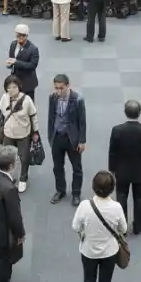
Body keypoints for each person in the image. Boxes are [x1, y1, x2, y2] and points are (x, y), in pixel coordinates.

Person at [72, 171, 128, 282]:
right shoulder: (116, 207)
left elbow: (75, 227)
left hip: (88, 251)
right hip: (109, 252)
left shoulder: (84, 206)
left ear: (93, 187)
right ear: (112, 189)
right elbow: (123, 229)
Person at [108, 100, 141, 235]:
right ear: (139, 113)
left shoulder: (117, 130)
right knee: (139, 198)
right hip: (140, 171)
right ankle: (138, 225)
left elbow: (112, 152)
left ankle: (122, 228)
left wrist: (112, 169)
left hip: (122, 171)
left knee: (121, 197)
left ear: (125, 112)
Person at [0, 147, 27, 282]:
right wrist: (21, 234)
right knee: (6, 258)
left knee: (0, 252)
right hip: (6, 231)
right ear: (11, 166)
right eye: (16, 160)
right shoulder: (9, 189)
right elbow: (14, 216)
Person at [47, 73, 87, 206]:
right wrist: (50, 135)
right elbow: (51, 118)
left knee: (77, 168)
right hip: (57, 137)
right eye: (56, 88)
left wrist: (82, 140)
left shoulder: (78, 99)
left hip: (72, 138)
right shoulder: (52, 98)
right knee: (57, 167)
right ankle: (60, 190)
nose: (58, 91)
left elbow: (82, 122)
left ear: (68, 85)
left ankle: (76, 193)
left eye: (61, 88)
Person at [0, 76, 38, 192]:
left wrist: (35, 131)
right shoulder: (4, 98)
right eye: (9, 87)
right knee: (6, 157)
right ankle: (8, 177)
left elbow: (33, 115)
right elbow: (0, 113)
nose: (12, 90)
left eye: (14, 87)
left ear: (19, 87)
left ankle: (23, 179)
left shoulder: (27, 100)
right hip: (8, 133)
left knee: (24, 157)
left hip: (23, 134)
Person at [6, 23, 40, 101]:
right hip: (15, 81)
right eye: (18, 35)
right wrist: (9, 64)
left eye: (23, 36)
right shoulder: (13, 44)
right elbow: (12, 58)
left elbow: (32, 65)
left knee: (28, 106)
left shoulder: (33, 49)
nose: (20, 38)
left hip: (27, 83)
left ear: (27, 36)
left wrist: (16, 63)